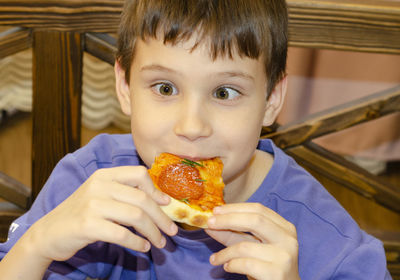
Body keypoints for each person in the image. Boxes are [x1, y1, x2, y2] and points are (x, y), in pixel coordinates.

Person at [0, 0, 391, 279]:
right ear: (124, 86)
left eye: (224, 93)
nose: (191, 126)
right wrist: (37, 247)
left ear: (272, 100)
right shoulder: (90, 180)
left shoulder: (322, 235)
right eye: (165, 87)